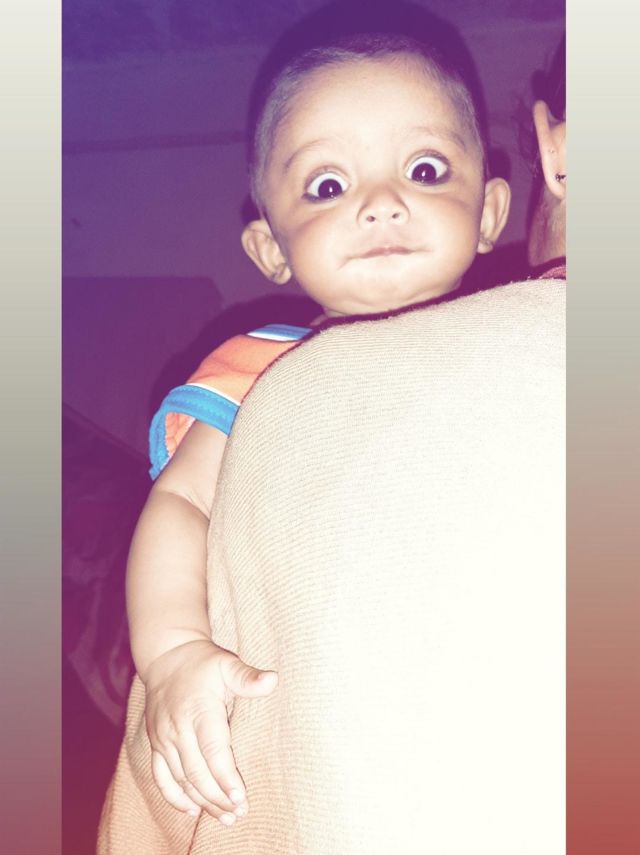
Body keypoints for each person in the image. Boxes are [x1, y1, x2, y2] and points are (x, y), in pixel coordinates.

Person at [115, 29, 511, 831]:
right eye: (328, 185)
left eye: (425, 170)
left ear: (490, 212)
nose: (381, 202)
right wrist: (174, 653)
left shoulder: (522, 338)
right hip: (317, 693)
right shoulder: (262, 369)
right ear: (271, 248)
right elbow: (183, 504)